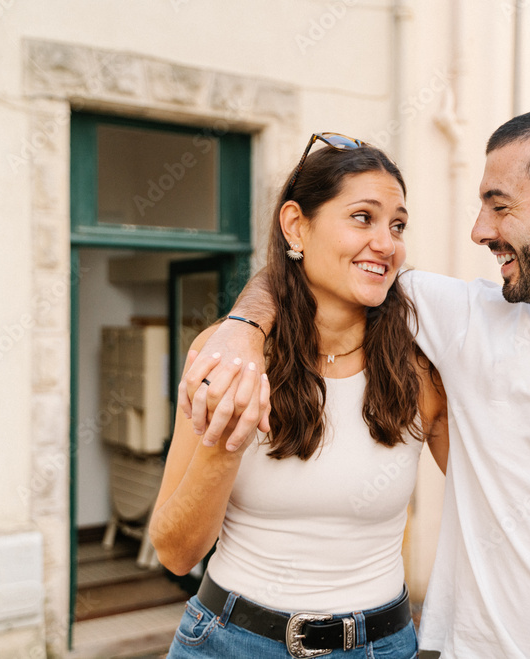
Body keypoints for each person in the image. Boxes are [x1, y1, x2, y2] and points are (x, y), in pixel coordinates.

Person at [182, 111, 530, 657]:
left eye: (499, 206)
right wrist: (244, 326)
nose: (478, 230)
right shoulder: (453, 315)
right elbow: (303, 272)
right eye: (364, 218)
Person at [150, 136, 452, 658]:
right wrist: (226, 440)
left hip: (379, 646)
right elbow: (176, 552)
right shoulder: (229, 356)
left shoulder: (419, 371)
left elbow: (498, 497)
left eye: (397, 225)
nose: (386, 243)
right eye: (363, 217)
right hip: (231, 642)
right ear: (296, 225)